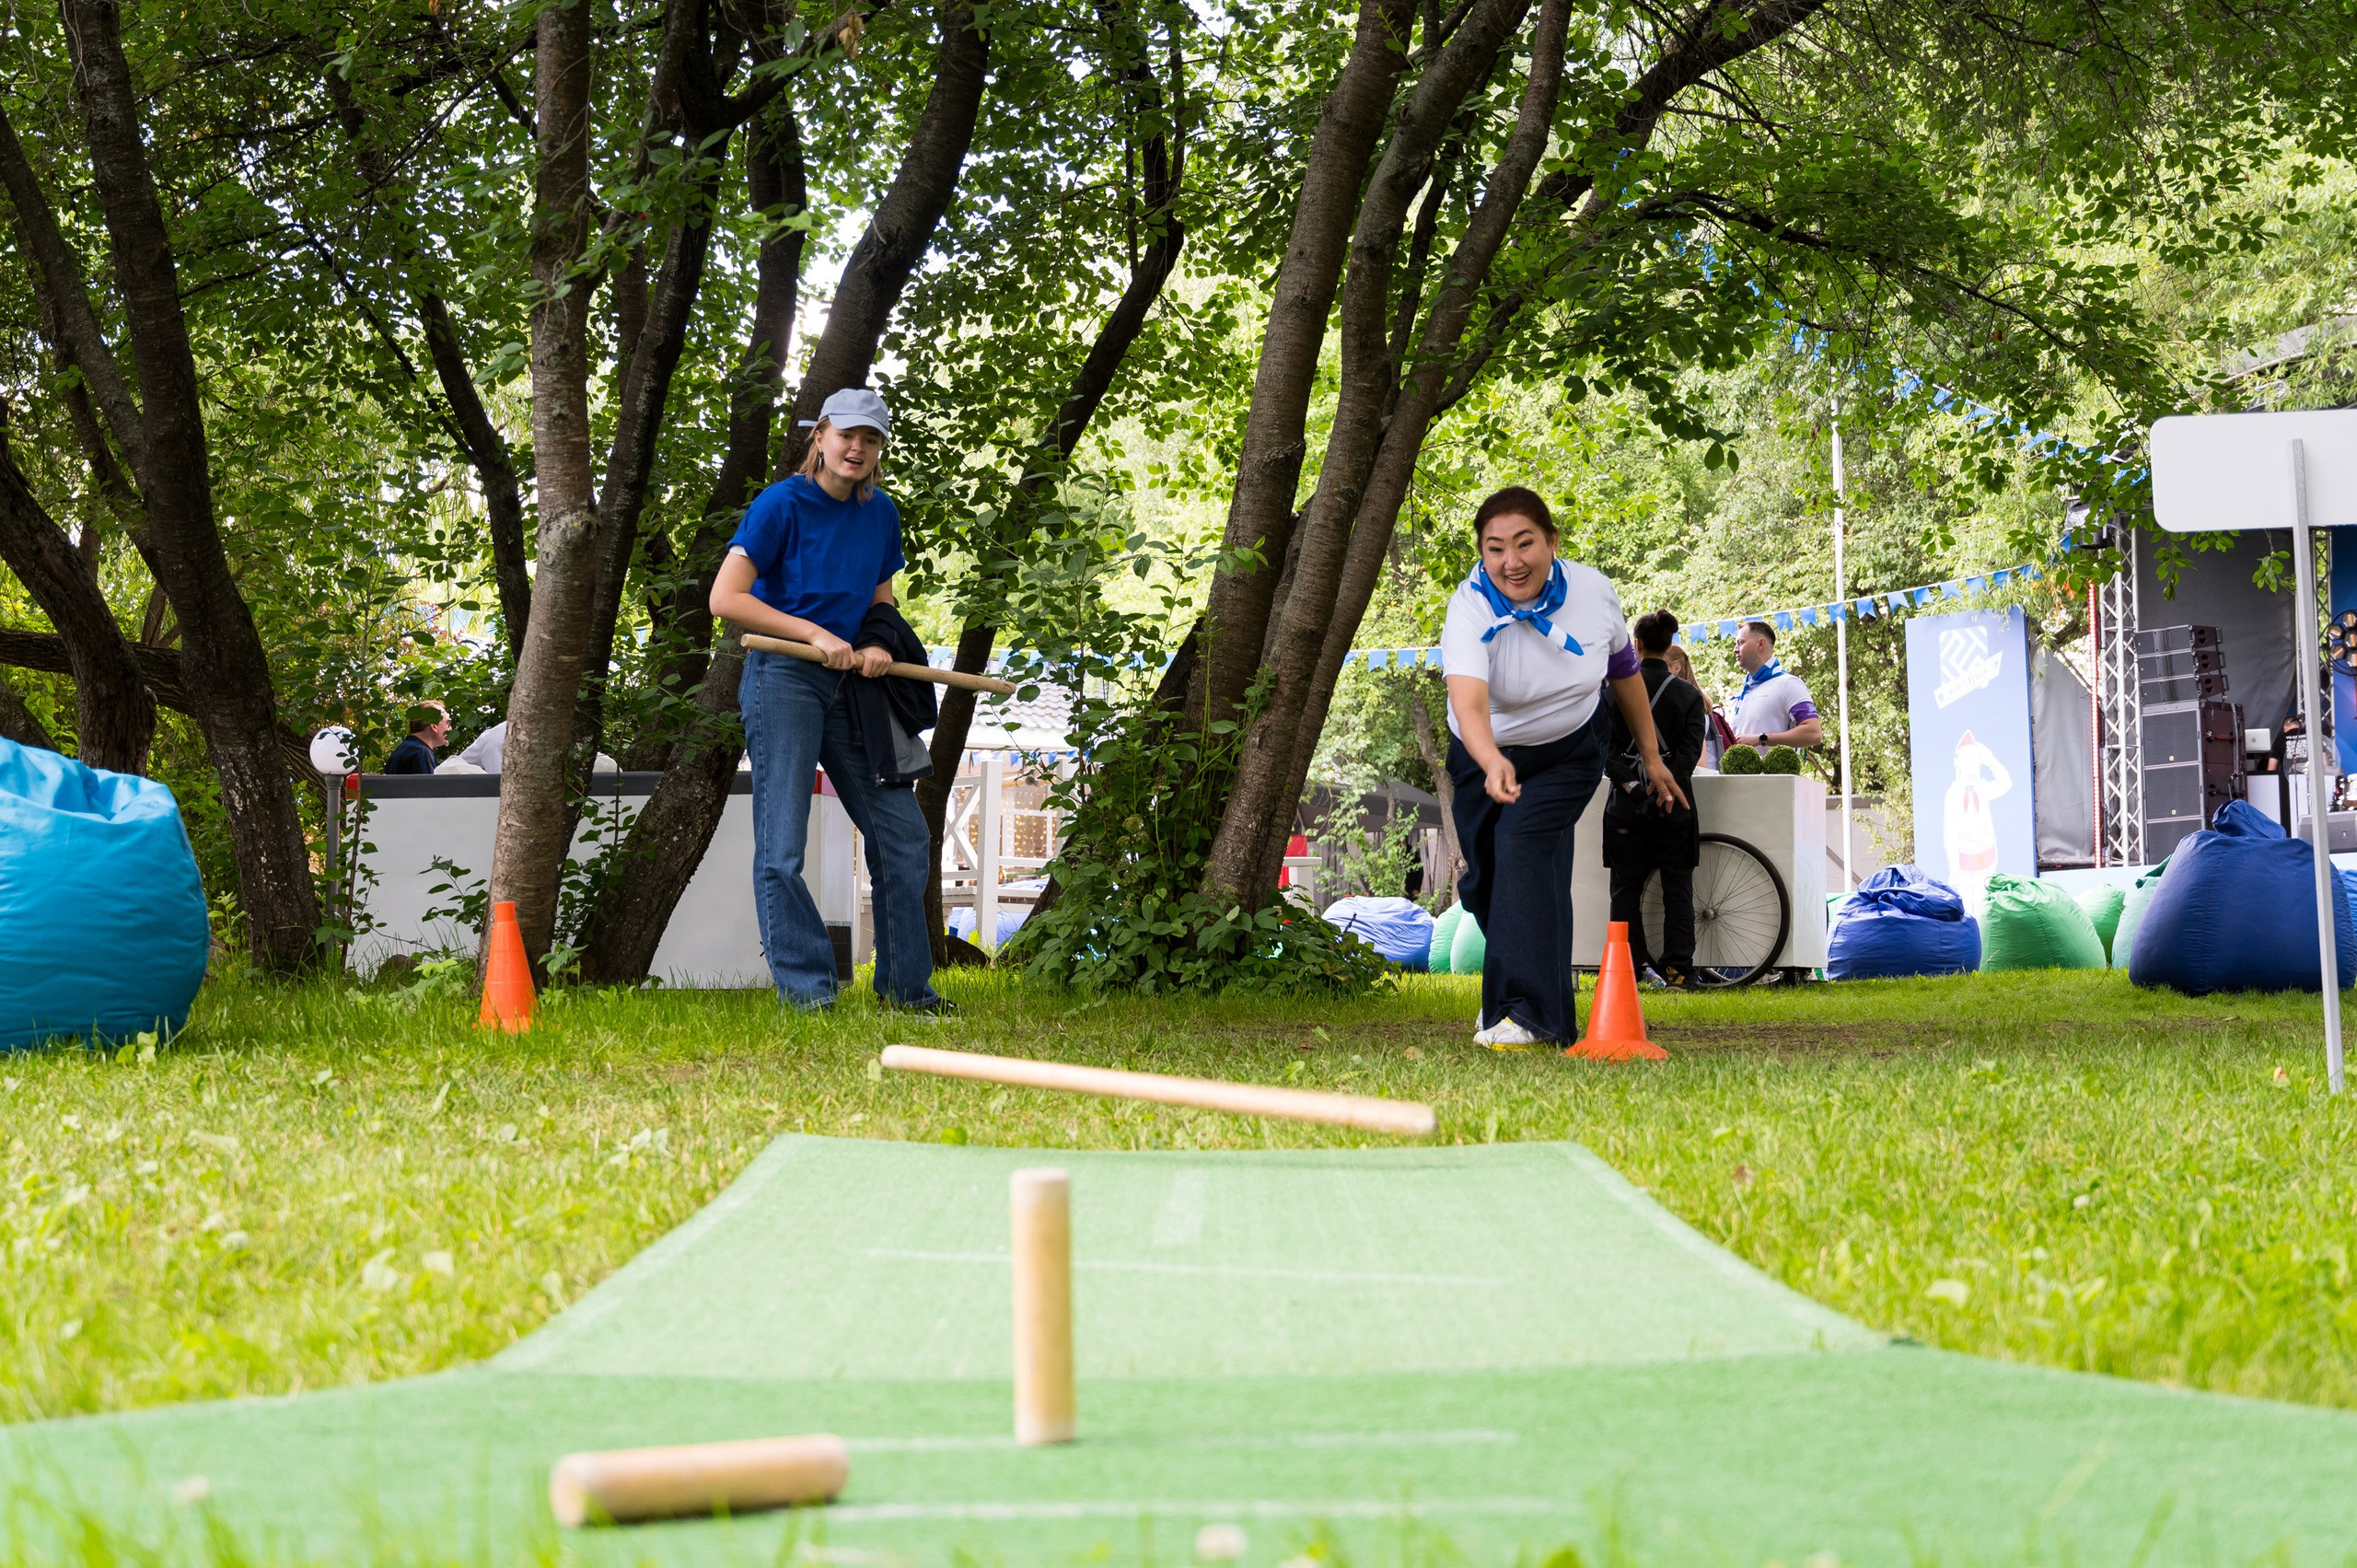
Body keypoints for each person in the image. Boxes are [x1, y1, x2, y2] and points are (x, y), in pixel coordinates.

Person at [708, 387, 947, 1015]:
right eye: (846, 435)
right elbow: (725, 599)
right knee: (783, 848)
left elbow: (880, 600)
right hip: (784, 677)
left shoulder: (881, 513)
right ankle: (809, 993)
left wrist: (875, 642)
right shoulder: (779, 504)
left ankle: (907, 992)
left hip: (854, 686)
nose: (857, 448)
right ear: (820, 437)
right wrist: (814, 634)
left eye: (870, 439)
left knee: (903, 836)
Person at [1442, 486, 1686, 1050]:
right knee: (1487, 882)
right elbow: (1468, 703)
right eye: (1495, 548)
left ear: (1552, 542)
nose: (1511, 561)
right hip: (1484, 753)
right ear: (1482, 554)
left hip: (1569, 748)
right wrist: (1491, 760)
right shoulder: (1469, 609)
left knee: (1523, 844)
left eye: (1524, 543)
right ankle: (1537, 1002)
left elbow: (1623, 672)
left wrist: (1652, 756)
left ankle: (1525, 1013)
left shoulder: (1593, 592)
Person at [1603, 612, 1708, 987]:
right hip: (1673, 804)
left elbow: (1605, 751)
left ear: (1637, 644)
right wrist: (1663, 789)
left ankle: (1629, 971)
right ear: (1669, 646)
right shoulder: (1690, 696)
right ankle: (1678, 970)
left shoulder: (1611, 692)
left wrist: (1634, 787)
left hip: (1624, 805)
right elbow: (1688, 756)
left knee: (1625, 892)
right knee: (1677, 890)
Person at [1727, 619, 1822, 751]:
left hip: (1777, 766)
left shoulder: (1788, 684)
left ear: (1760, 644)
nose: (1735, 650)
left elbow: (1814, 733)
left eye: (1741, 643)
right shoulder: (1741, 693)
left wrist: (1761, 739)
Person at [382, 703, 447, 774]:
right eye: (448, 722)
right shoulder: (421, 752)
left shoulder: (400, 750)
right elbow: (427, 782)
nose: (450, 728)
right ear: (434, 726)